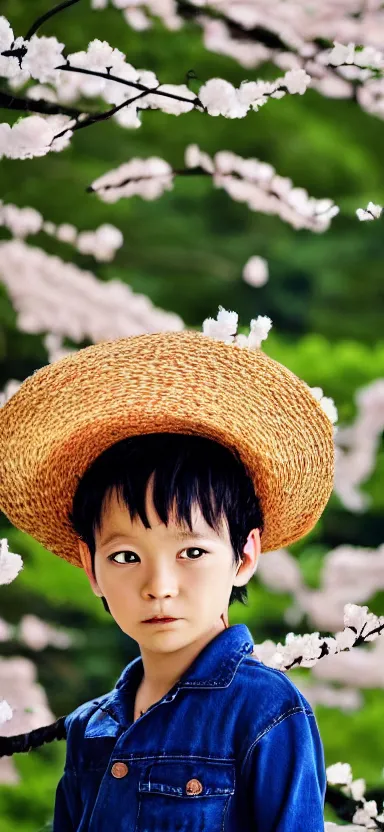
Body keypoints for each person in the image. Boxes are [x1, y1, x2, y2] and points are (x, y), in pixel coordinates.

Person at [0, 307, 336, 831]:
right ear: (90, 568)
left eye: (192, 553)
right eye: (126, 557)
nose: (158, 587)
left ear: (244, 556)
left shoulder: (268, 712)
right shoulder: (92, 727)